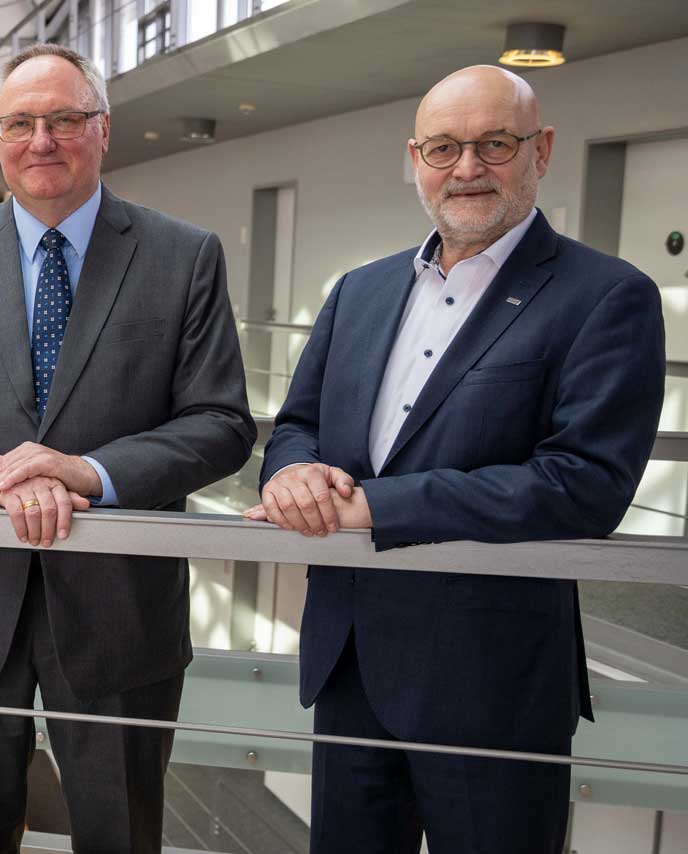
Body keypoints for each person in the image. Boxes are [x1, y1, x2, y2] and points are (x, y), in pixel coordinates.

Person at [248, 66, 665, 854]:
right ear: (415, 158)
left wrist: (379, 506)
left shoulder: (607, 296)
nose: (466, 168)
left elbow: (585, 484)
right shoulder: (358, 292)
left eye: (493, 144)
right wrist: (291, 472)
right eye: (443, 148)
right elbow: (297, 425)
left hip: (493, 679)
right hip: (351, 664)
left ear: (540, 151)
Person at [0, 44, 253, 852]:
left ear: (103, 130)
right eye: (20, 123)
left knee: (120, 836)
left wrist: (86, 473)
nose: (42, 140)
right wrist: (1, 481)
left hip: (119, 611)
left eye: (65, 119)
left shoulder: (183, 256)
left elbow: (220, 422)